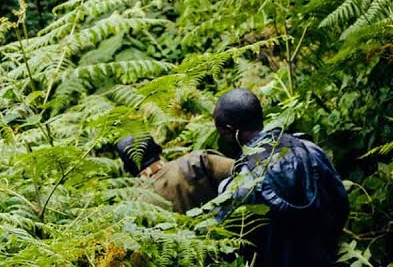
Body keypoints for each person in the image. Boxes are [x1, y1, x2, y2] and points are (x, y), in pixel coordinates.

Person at [214, 88, 350, 267]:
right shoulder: (310, 149)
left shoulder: (238, 186)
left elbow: (223, 246)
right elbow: (341, 204)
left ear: (228, 132)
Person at [116, 134, 235, 214]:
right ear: (158, 149)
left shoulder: (133, 206)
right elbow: (247, 172)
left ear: (127, 168)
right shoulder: (195, 163)